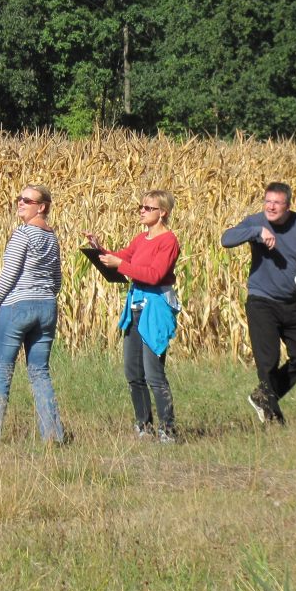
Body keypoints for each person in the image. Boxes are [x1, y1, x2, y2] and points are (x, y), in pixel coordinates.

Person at [221, 181, 296, 424]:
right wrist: (257, 232)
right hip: (261, 301)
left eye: (277, 203)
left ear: (288, 205)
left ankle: (263, 396)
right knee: (268, 361)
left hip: (291, 303)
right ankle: (273, 418)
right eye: (268, 201)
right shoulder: (255, 221)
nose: (271, 207)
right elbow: (226, 239)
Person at [85, 190, 181, 443]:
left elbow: (154, 275)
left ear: (163, 212)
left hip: (156, 309)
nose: (142, 211)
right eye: (141, 207)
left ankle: (168, 429)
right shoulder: (141, 239)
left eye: (149, 208)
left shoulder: (168, 241)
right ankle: (144, 425)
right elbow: (123, 258)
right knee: (133, 372)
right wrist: (99, 249)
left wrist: (120, 266)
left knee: (154, 374)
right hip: (136, 306)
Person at [0, 184, 66, 444]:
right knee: (40, 372)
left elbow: (9, 275)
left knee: (1, 371)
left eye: (28, 201)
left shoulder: (23, 234)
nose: (20, 203)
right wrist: (44, 296)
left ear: (41, 207)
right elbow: (57, 279)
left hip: (17, 307)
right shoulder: (51, 237)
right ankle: (52, 435)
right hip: (47, 307)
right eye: (20, 199)